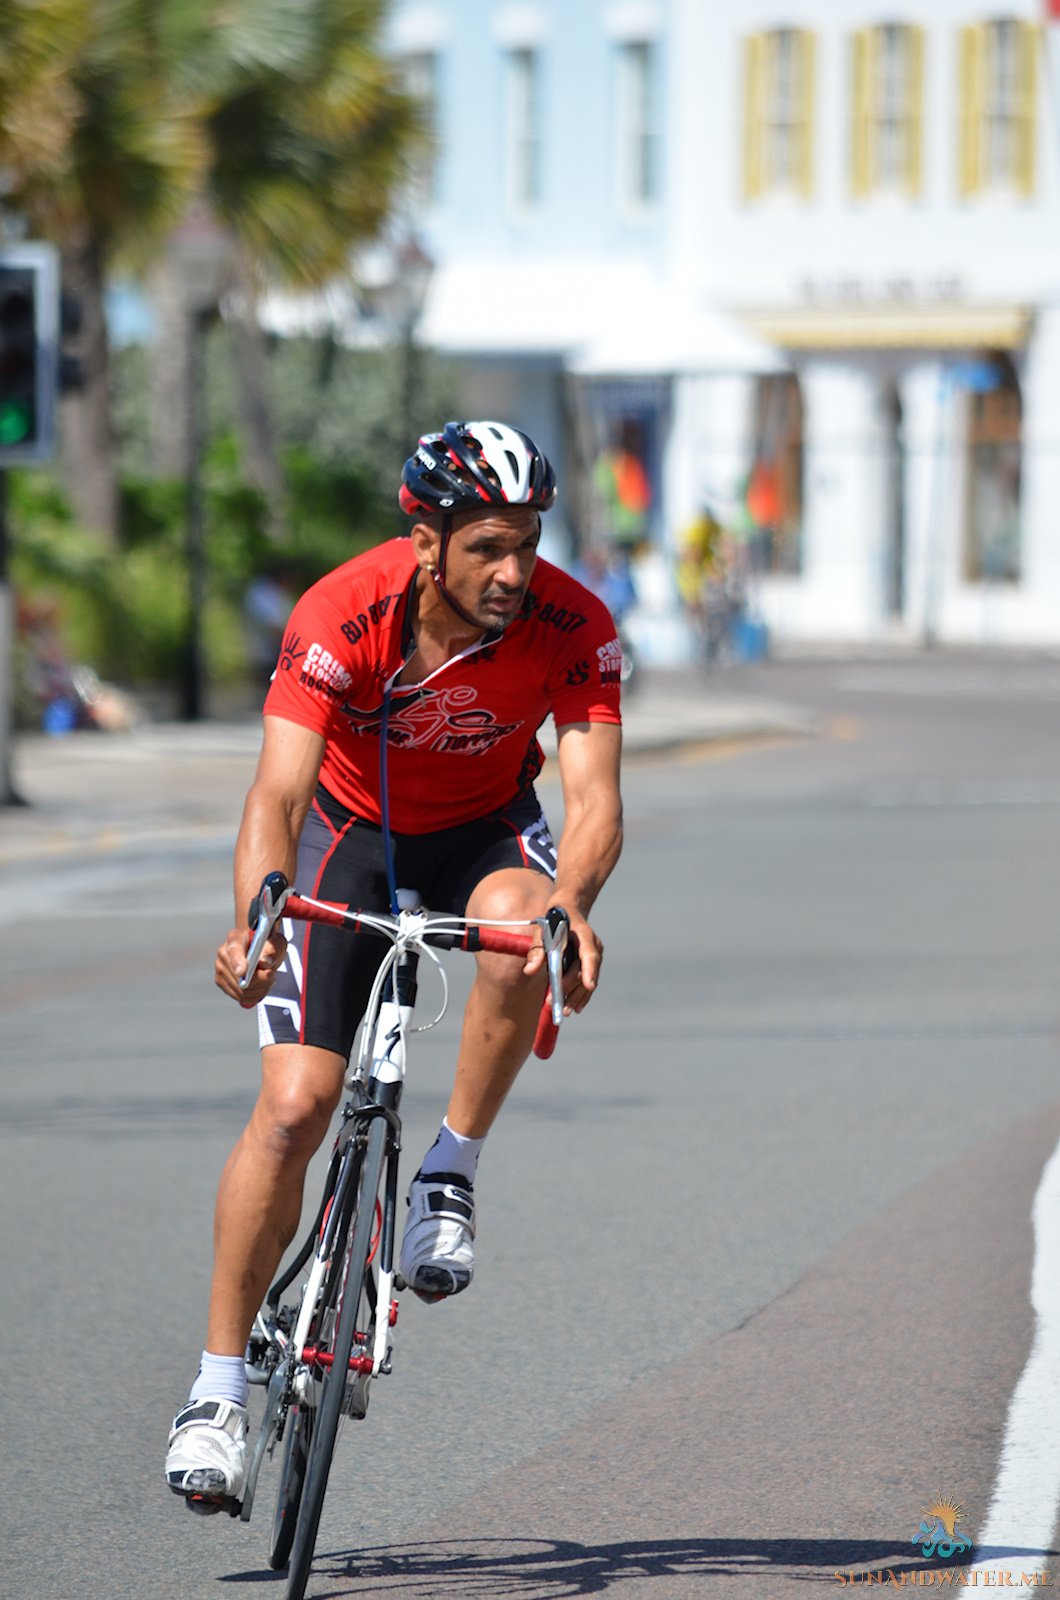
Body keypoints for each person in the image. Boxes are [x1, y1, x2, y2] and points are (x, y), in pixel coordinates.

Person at [165, 420, 624, 1511]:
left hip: (482, 832)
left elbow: (594, 797)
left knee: (523, 931)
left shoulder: (574, 622)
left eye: (528, 544)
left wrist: (571, 906)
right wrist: (258, 915)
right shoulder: (342, 612)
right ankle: (217, 1392)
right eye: (488, 547)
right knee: (294, 1108)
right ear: (427, 541)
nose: (514, 571)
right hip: (347, 834)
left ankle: (448, 1170)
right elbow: (278, 791)